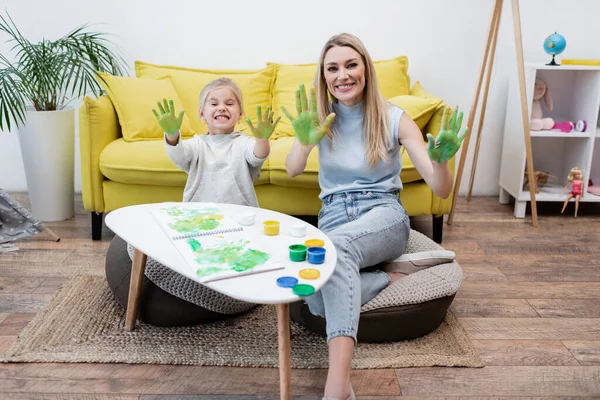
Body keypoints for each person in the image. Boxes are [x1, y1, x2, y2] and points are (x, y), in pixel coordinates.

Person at [283, 33, 466, 400]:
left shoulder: (395, 117)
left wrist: (443, 162)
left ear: (365, 67)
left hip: (382, 213)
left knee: (335, 250)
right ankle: (390, 274)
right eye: (332, 68)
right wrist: (303, 143)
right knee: (313, 298)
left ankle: (337, 385)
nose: (342, 75)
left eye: (351, 64)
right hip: (334, 214)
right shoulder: (319, 119)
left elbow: (441, 189)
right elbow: (291, 169)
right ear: (324, 76)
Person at [122, 77, 281, 324]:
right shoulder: (197, 144)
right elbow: (179, 155)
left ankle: (232, 286)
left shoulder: (244, 144)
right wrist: (172, 135)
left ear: (240, 114)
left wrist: (262, 138)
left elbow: (257, 155)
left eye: (230, 103)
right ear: (202, 114)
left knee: (243, 259)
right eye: (213, 103)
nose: (222, 107)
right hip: (198, 226)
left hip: (238, 228)